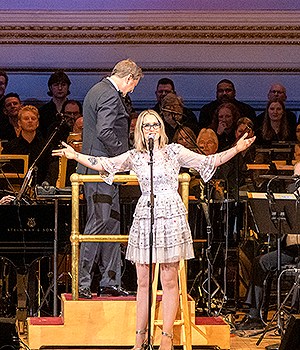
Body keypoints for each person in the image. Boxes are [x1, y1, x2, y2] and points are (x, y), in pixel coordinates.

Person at [53, 109, 255, 349]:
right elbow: (105, 164)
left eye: (155, 125)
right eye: (146, 126)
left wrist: (236, 148)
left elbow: (209, 161)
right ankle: (140, 338)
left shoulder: (174, 152)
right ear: (140, 131)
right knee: (142, 281)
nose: (151, 129)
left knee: (169, 279)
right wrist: (75, 156)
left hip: (170, 214)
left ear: (161, 129)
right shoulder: (136, 156)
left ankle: (166, 339)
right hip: (146, 214)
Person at [76, 59, 143, 299]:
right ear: (129, 78)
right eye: (133, 85)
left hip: (106, 170)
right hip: (100, 169)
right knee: (97, 224)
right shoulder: (109, 95)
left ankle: (110, 281)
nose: (132, 90)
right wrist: (125, 157)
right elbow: (105, 131)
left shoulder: (99, 90)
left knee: (112, 224)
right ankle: (83, 283)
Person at [237, 161, 300, 330]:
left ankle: (294, 319)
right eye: (294, 179)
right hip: (290, 249)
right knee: (260, 262)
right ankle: (254, 316)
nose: (295, 184)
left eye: (298, 179)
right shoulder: (291, 197)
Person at [2, 105, 50, 185]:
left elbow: (51, 171)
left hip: (41, 190)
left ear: (37, 123)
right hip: (15, 190)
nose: (30, 121)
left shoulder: (47, 146)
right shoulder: (10, 147)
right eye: (26, 119)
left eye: (33, 118)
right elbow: (5, 173)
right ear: (19, 123)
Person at [39, 70, 71, 138]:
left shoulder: (74, 108)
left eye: (63, 85)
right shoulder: (42, 111)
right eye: (56, 85)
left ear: (68, 87)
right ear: (50, 87)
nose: (60, 88)